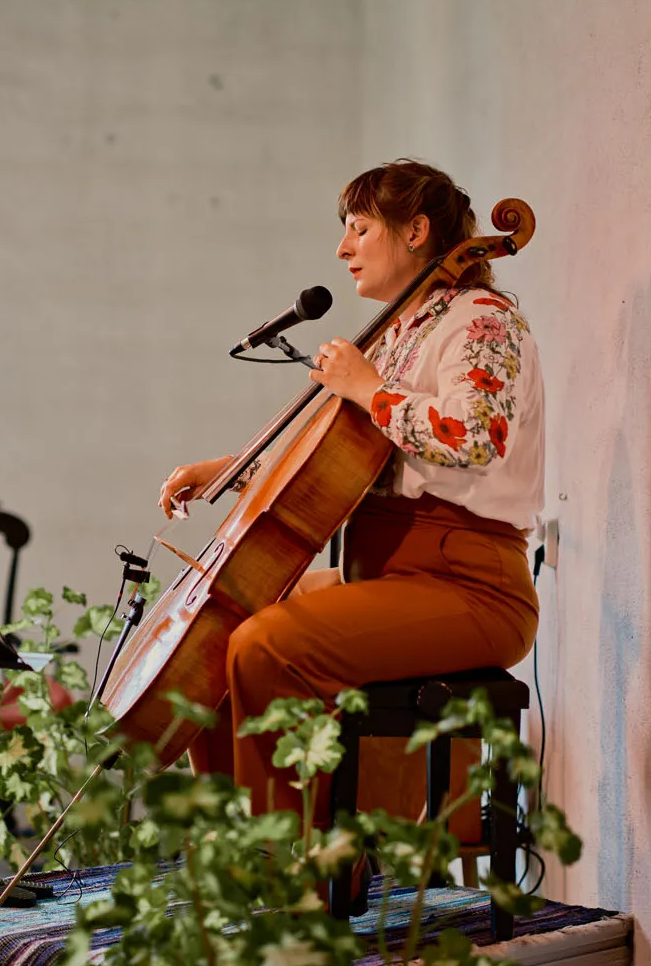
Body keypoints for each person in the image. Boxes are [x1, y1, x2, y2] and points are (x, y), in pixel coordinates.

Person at [158, 159, 544, 874]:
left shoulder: (484, 320)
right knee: (225, 627)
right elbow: (333, 454)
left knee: (268, 646)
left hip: (473, 585)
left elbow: (474, 436)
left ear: (417, 232)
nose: (343, 249)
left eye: (360, 228)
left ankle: (308, 867)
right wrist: (231, 469)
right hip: (391, 573)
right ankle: (241, 850)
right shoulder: (398, 334)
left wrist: (368, 390)